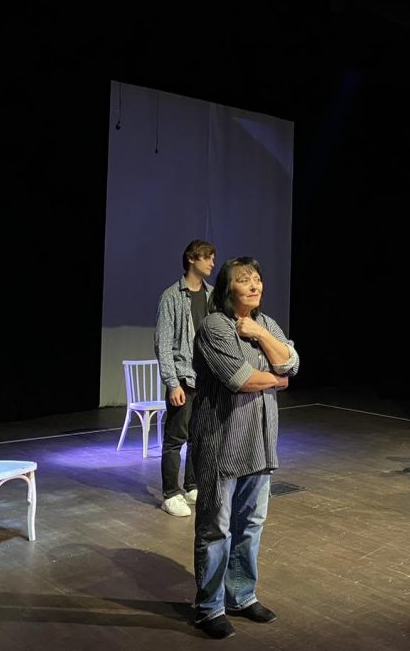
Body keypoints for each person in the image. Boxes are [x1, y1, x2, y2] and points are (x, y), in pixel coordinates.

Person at [189, 256, 299, 639]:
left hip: (260, 443)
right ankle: (209, 607)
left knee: (250, 525)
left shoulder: (265, 323)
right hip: (222, 443)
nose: (254, 286)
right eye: (244, 280)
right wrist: (276, 379)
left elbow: (292, 363)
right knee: (216, 529)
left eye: (257, 279)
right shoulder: (214, 326)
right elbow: (240, 379)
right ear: (227, 288)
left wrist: (260, 334)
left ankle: (241, 595)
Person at [154, 239, 216, 517]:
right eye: (207, 257)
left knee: (199, 436)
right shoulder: (172, 296)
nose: (212, 263)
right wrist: (172, 383)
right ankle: (170, 493)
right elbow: (163, 343)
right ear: (192, 258)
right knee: (175, 438)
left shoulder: (212, 295)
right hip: (183, 378)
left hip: (207, 379)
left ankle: (192, 485)